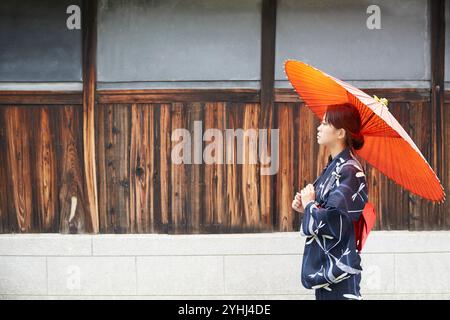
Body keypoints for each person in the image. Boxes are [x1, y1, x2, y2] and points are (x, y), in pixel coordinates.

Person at [292, 103, 369, 300]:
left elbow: (335, 219)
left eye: (325, 123)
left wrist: (310, 205)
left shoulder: (350, 170)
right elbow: (327, 211)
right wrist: (306, 208)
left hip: (339, 269)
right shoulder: (335, 167)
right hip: (328, 268)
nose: (319, 127)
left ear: (341, 132)